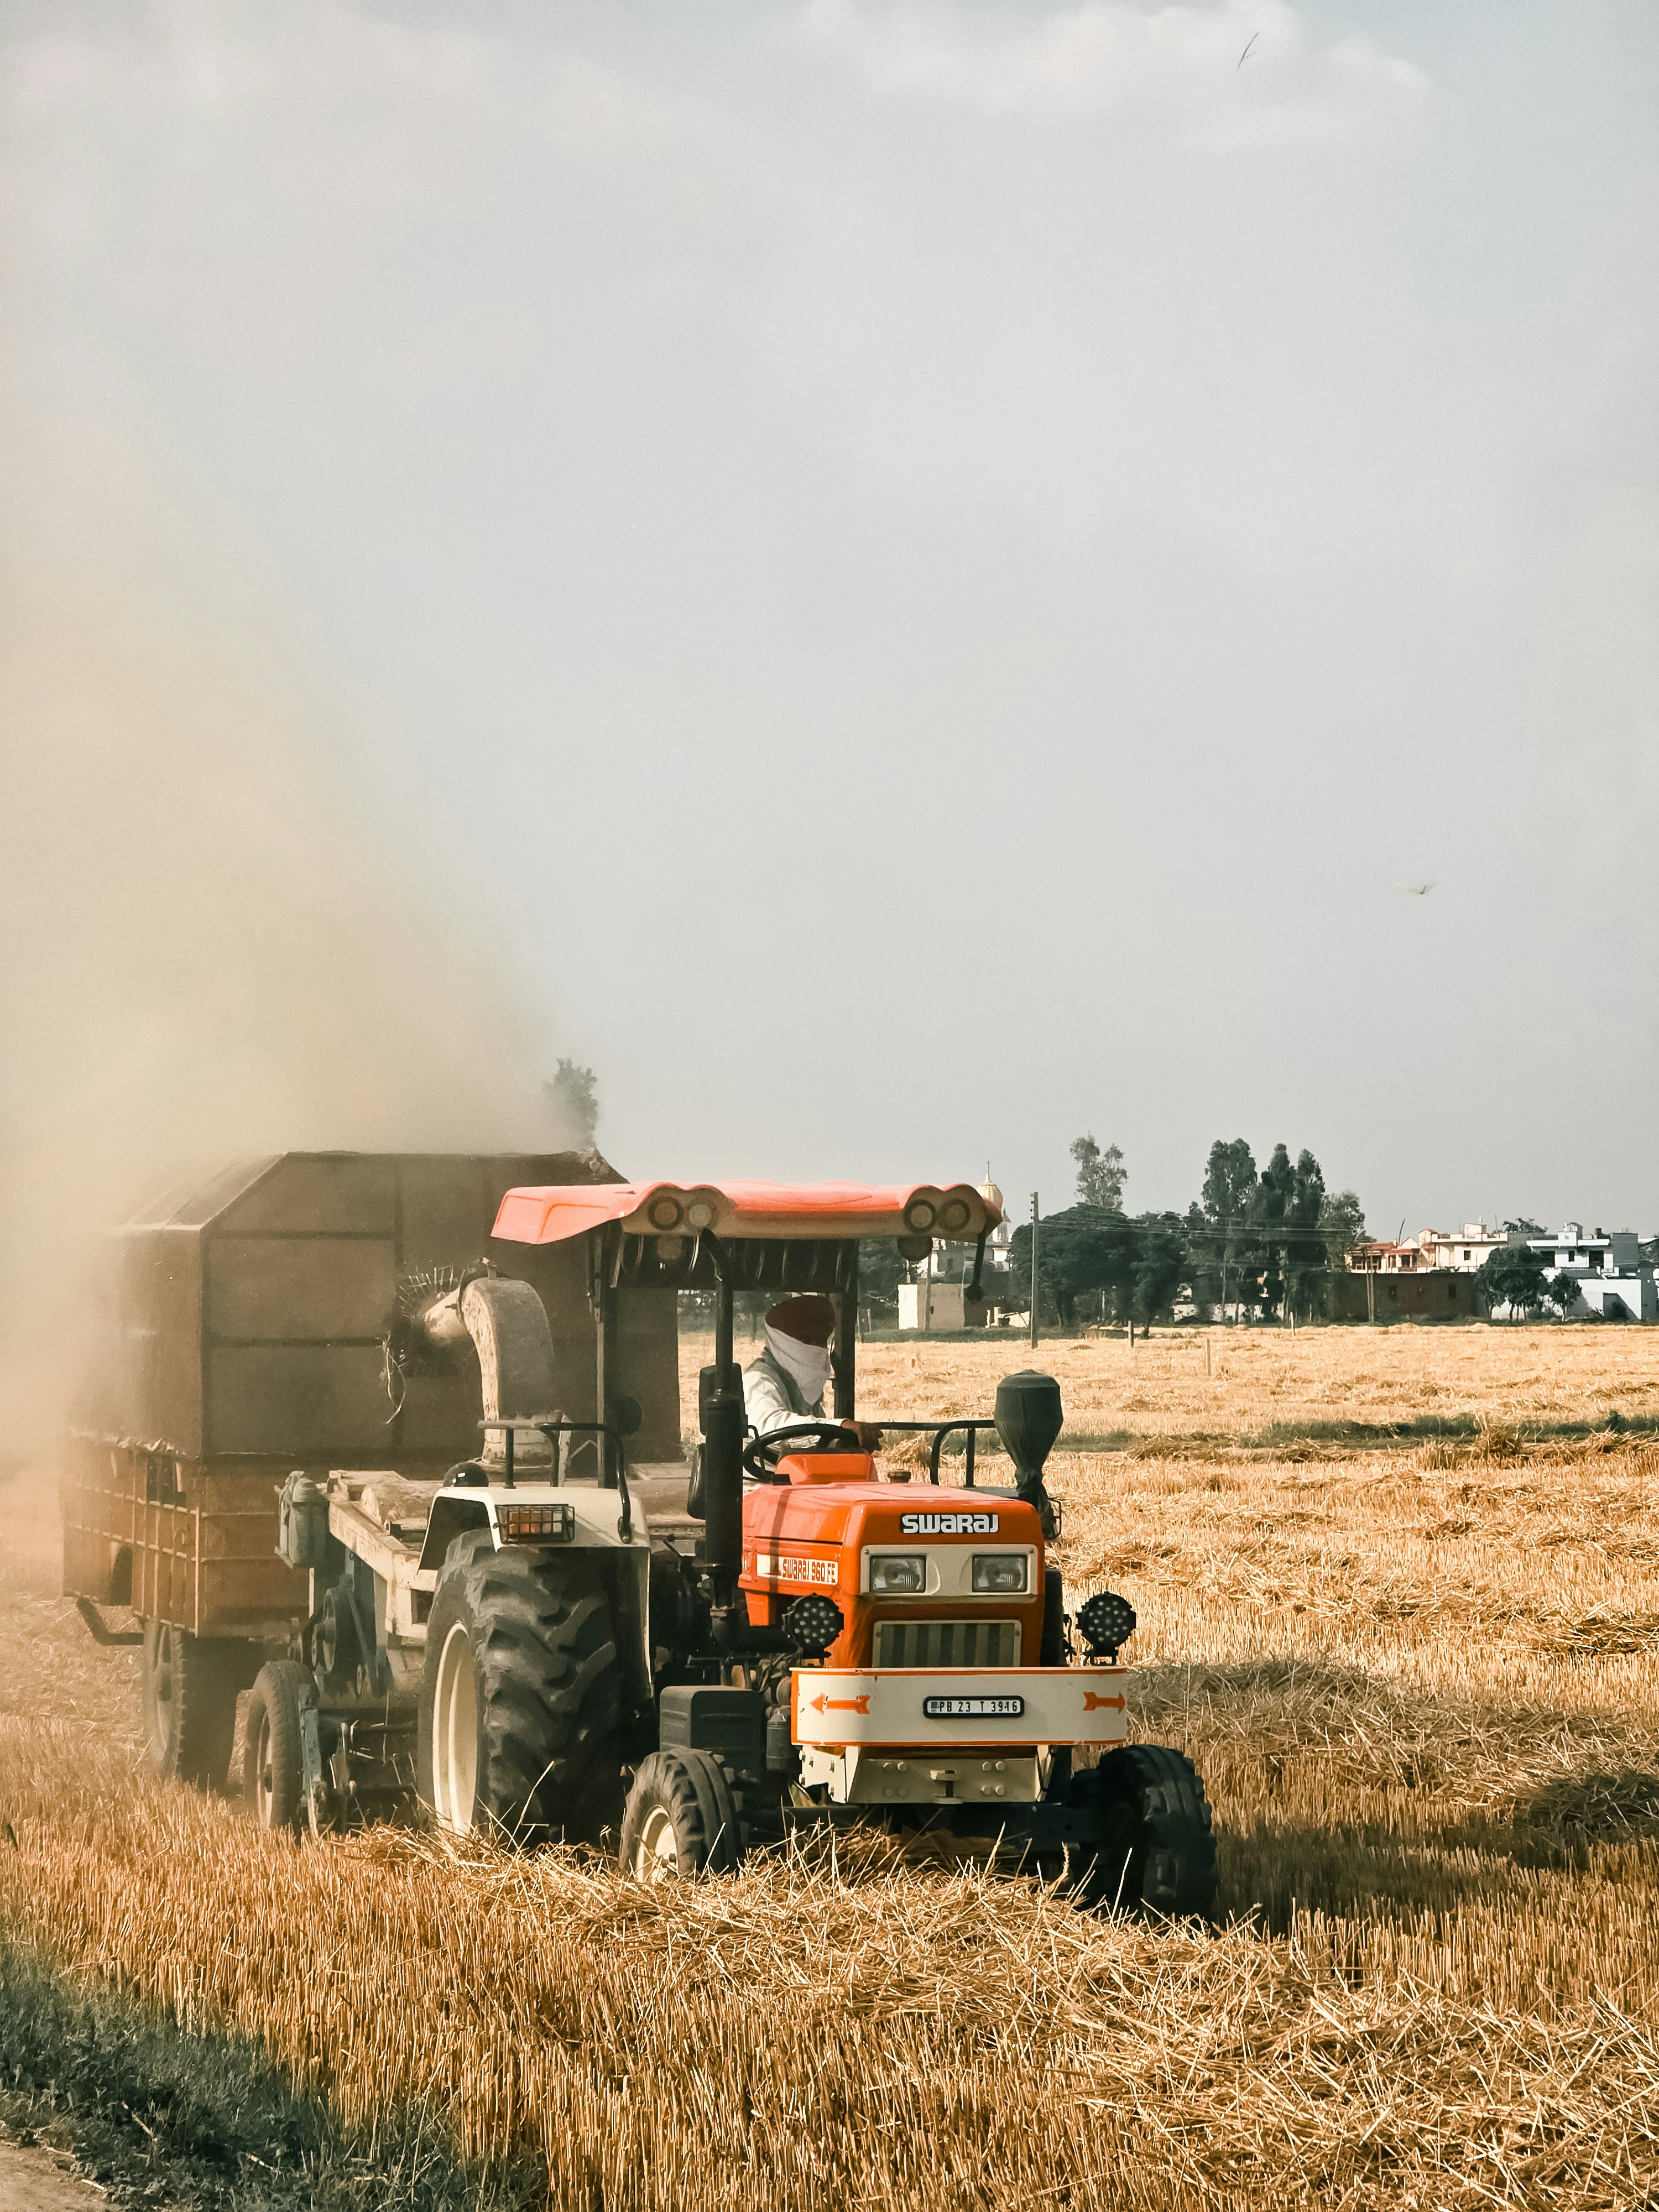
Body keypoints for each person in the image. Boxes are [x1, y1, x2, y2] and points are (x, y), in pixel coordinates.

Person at [744, 1293, 880, 1449]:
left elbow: (811, 1439)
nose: (819, 1351)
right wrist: (838, 1427)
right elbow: (771, 1425)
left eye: (822, 1342)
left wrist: (841, 1440)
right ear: (784, 1343)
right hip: (763, 1471)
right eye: (808, 1341)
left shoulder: (798, 1385)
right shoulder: (759, 1380)